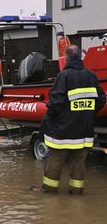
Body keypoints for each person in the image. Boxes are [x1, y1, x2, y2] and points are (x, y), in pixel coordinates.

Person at [41, 44, 106, 195]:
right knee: (79, 164)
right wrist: (88, 112)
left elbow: (55, 103)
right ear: (80, 57)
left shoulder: (64, 76)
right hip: (84, 131)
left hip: (63, 131)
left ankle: (49, 194)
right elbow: (102, 99)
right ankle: (76, 194)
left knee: (55, 162)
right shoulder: (91, 76)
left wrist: (49, 120)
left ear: (67, 57)